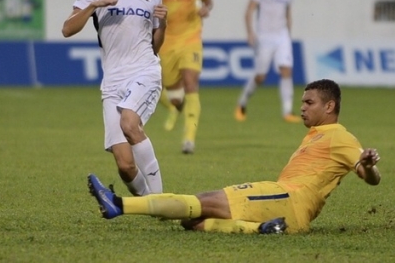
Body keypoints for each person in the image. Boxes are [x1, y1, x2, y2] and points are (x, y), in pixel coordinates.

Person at [88, 79, 381, 234]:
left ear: (329, 107)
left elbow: (371, 178)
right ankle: (263, 230)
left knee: (202, 201)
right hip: (285, 204)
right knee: (193, 222)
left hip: (288, 198)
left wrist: (367, 166)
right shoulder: (317, 135)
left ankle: (120, 205)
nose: (302, 107)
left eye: (308, 102)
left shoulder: (340, 136)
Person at [62, 0, 168, 197]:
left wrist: (163, 25)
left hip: (145, 71)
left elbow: (155, 47)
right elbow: (67, 29)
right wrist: (94, 6)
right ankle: (147, 202)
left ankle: (161, 200)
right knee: (124, 165)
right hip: (113, 82)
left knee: (130, 124)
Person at [145, 0, 213, 155]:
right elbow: (144, 7)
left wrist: (205, 8)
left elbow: (208, 0)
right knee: (160, 88)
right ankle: (175, 105)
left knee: (191, 83)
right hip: (164, 40)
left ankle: (189, 139)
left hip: (190, 38)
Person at [234, 0, 301, 123]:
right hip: (264, 37)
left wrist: (288, 35)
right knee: (260, 76)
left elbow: (288, 14)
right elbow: (249, 11)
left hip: (282, 36)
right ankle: (242, 103)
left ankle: (287, 111)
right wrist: (250, 33)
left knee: (286, 70)